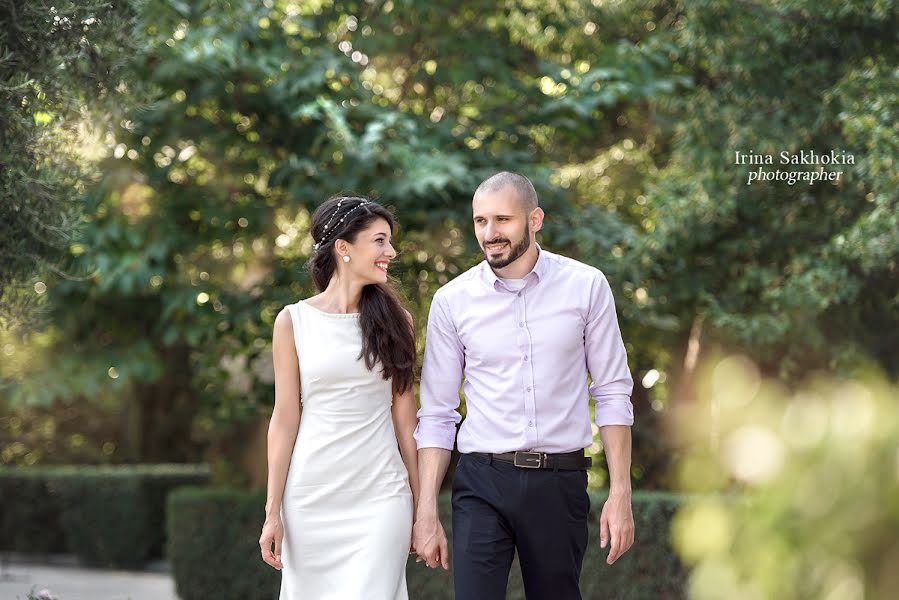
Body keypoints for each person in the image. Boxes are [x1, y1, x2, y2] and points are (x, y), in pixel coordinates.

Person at [412, 172, 636, 599]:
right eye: (480, 221)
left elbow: (611, 392)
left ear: (534, 219)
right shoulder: (452, 301)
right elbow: (438, 414)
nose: (490, 233)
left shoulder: (586, 286)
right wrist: (426, 511)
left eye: (503, 219)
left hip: (559, 480)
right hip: (481, 480)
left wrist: (620, 493)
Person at [259, 196, 420, 599]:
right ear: (344, 248)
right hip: (312, 499)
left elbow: (406, 421)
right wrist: (272, 510)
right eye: (380, 241)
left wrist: (424, 508)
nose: (391, 252)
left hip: (382, 496)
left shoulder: (398, 322)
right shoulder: (293, 321)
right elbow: (284, 418)